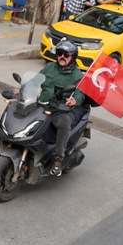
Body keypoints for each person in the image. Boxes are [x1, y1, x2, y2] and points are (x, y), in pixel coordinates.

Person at [37, 40, 85, 177]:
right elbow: (35, 80)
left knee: (64, 123)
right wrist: (22, 88)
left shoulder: (76, 75)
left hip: (60, 109)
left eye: (66, 54)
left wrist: (75, 100)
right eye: (59, 53)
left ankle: (57, 160)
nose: (62, 56)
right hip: (42, 104)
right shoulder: (49, 67)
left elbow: (80, 92)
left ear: (73, 57)